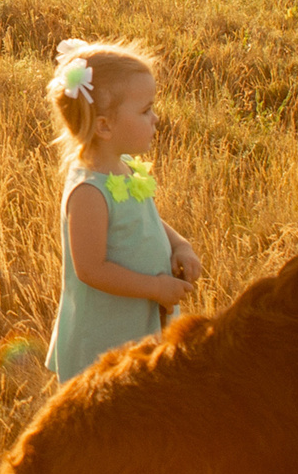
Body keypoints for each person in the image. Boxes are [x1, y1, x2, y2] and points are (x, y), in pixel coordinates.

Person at [44, 38, 203, 382]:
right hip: (102, 336)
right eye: (145, 110)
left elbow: (143, 216)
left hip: (134, 322)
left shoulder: (124, 167)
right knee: (102, 408)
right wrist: (155, 287)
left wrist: (179, 244)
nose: (155, 118)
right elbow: (91, 269)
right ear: (104, 126)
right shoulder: (88, 192)